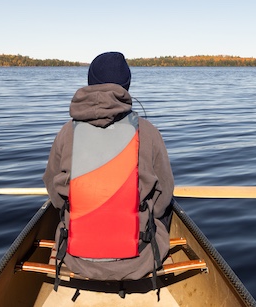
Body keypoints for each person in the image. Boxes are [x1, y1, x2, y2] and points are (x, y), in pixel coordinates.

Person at [43, 51, 175, 286]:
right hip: (140, 259)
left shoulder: (67, 132)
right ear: (126, 85)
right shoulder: (148, 132)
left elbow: (54, 194)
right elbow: (164, 196)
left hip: (76, 259)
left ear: (90, 82)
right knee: (164, 211)